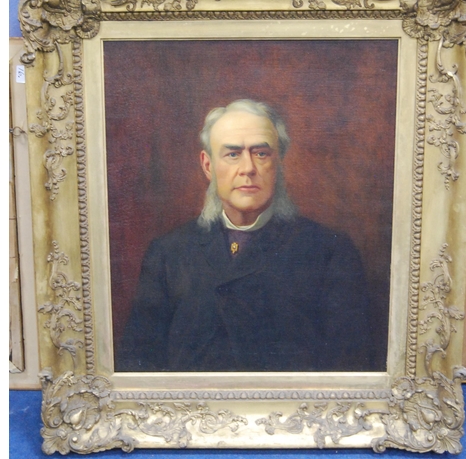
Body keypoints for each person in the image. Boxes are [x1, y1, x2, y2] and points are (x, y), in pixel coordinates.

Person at [116, 99, 381, 372]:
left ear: (278, 163)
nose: (248, 168)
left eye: (261, 153)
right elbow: (138, 366)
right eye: (232, 154)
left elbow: (350, 370)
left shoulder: (329, 252)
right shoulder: (168, 253)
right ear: (208, 166)